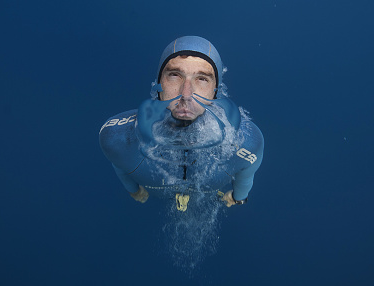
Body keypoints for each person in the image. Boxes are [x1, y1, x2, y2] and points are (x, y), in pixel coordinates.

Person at [99, 36, 263, 209]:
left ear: (216, 91)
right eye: (175, 75)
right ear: (159, 83)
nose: (186, 94)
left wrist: (240, 196)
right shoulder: (116, 138)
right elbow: (119, 163)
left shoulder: (248, 143)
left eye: (202, 79)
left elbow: (246, 175)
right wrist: (132, 189)